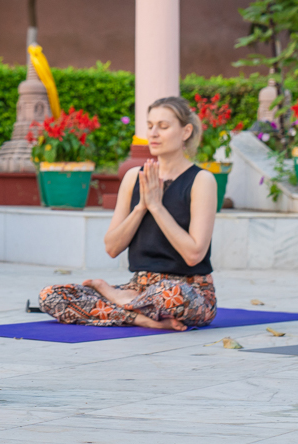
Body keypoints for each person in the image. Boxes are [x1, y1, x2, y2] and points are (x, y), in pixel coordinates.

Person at [38, 97, 219, 330]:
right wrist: (141, 207)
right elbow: (112, 247)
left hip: (188, 291)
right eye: (150, 126)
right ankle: (142, 317)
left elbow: (194, 255)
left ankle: (122, 305)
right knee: (51, 296)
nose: (153, 133)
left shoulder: (201, 180)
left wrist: (156, 207)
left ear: (186, 132)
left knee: (171, 295)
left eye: (163, 126)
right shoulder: (134, 177)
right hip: (138, 288)